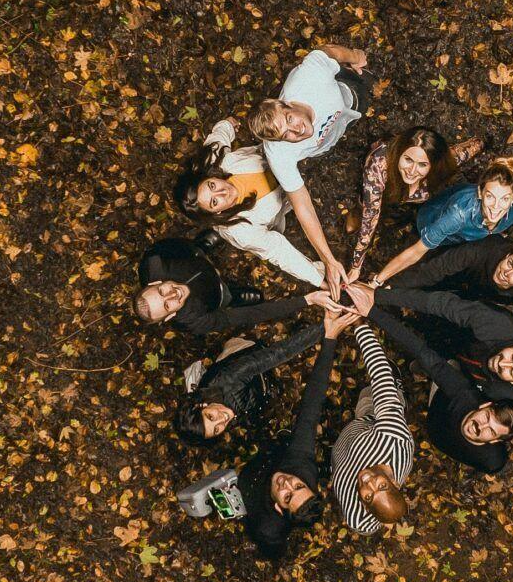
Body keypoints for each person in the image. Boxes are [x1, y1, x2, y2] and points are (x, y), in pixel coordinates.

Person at [249, 42, 371, 293]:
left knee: (363, 92)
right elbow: (302, 205)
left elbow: (328, 50)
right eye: (286, 135)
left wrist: (355, 57)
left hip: (348, 90)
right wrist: (327, 258)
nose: (297, 131)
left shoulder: (310, 76)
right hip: (335, 133)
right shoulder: (277, 153)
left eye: (290, 120)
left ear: (287, 103)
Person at [241, 301, 355, 561]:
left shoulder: (269, 527)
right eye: (299, 485)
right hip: (264, 459)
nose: (287, 482)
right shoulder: (299, 465)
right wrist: (330, 339)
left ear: (280, 509)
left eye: (287, 495)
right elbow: (311, 405)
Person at [368, 304, 513, 476]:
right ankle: (423, 371)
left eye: (491, 431)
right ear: (485, 405)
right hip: (439, 401)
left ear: (495, 440)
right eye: (486, 417)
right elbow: (423, 352)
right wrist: (371, 311)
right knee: (442, 365)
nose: (481, 426)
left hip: (437, 433)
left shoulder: (492, 461)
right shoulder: (462, 393)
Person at [170, 119, 325, 287]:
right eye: (214, 202)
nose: (222, 192)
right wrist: (319, 280)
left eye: (212, 185)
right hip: (287, 199)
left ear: (210, 176)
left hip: (281, 153)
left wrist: (228, 124)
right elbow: (279, 252)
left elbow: (218, 136)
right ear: (217, 212)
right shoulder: (242, 231)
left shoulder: (214, 160)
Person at [368, 286, 513, 408]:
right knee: (430, 323)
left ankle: (426, 365)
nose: (502, 364)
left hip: (462, 368)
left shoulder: (510, 398)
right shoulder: (498, 324)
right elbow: (443, 305)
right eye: (512, 357)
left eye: (511, 372)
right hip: (461, 332)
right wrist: (377, 296)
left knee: (436, 364)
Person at [366, 158, 513, 287]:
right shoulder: (457, 215)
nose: (496, 206)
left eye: (505, 199)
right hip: (433, 222)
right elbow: (416, 251)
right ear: (480, 193)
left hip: (464, 235)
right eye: (490, 196)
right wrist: (377, 282)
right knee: (426, 258)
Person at [328, 319, 413, 538]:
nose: (369, 483)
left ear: (365, 507)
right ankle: (399, 386)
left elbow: (365, 525)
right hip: (372, 419)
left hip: (345, 446)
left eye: (368, 497)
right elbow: (380, 378)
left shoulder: (358, 518)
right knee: (372, 394)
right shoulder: (393, 439)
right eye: (382, 486)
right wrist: (359, 325)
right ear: (395, 482)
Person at [134, 237, 310, 343]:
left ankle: (203, 245)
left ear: (154, 282)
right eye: (167, 306)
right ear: (170, 316)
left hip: (195, 259)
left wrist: (195, 249)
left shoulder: (155, 260)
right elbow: (246, 315)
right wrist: (306, 300)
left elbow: (176, 244)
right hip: (217, 295)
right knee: (227, 297)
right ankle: (234, 296)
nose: (173, 294)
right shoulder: (194, 321)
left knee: (196, 248)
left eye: (161, 292)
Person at [176, 323, 324, 444]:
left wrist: (324, 329)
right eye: (216, 430)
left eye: (211, 417)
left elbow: (279, 353)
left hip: (251, 353)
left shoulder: (229, 379)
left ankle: (240, 337)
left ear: (201, 405)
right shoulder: (219, 408)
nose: (222, 420)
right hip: (257, 385)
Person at [391, 234, 513, 310]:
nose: (506, 273)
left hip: (481, 291)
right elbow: (436, 269)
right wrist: (390, 285)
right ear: (507, 255)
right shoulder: (479, 251)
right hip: (464, 271)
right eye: (510, 263)